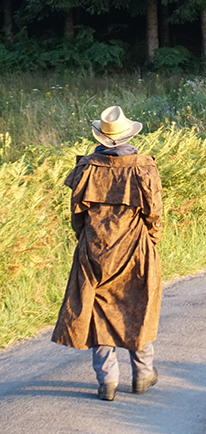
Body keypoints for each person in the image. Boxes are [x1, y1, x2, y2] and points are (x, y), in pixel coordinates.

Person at [52, 106, 163, 402]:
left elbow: (77, 215)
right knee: (140, 307)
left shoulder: (87, 167)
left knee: (97, 312)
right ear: (128, 134)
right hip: (135, 247)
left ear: (102, 136)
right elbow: (154, 213)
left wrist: (87, 240)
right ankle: (142, 375)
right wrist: (152, 240)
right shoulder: (143, 167)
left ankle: (108, 381)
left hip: (94, 249)